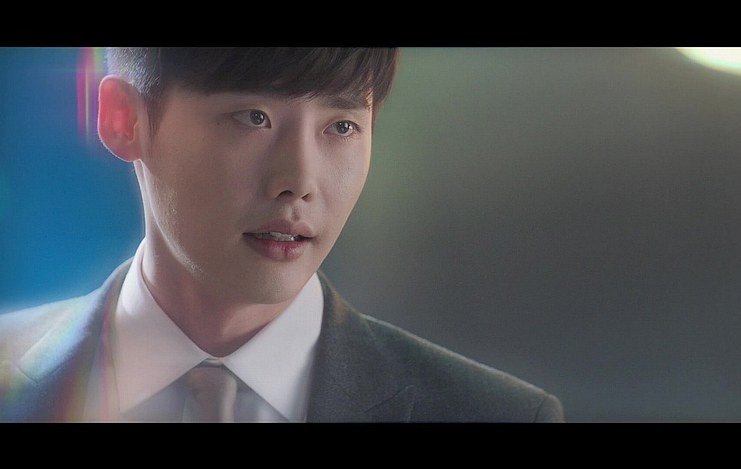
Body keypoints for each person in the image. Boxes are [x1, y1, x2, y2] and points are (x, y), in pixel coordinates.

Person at [0, 47, 564, 422]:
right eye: (254, 117)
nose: (298, 181)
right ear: (124, 119)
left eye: (341, 126)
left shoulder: (495, 414)